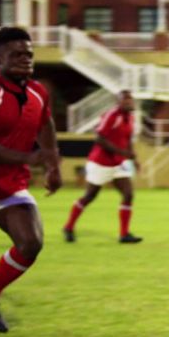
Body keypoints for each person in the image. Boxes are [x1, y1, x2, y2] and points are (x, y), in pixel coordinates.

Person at [0, 27, 62, 334]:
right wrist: (29, 158)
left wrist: (52, 163)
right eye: (16, 54)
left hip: (7, 186)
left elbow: (46, 122)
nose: (25, 59)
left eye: (29, 54)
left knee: (30, 243)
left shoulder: (38, 91)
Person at [63, 90, 143, 244]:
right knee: (89, 196)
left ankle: (124, 234)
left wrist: (134, 159)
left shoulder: (131, 118)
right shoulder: (111, 116)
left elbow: (127, 141)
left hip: (118, 163)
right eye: (125, 100)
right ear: (118, 102)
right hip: (101, 162)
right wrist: (122, 152)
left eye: (130, 99)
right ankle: (68, 227)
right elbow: (99, 138)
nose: (129, 102)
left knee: (128, 194)